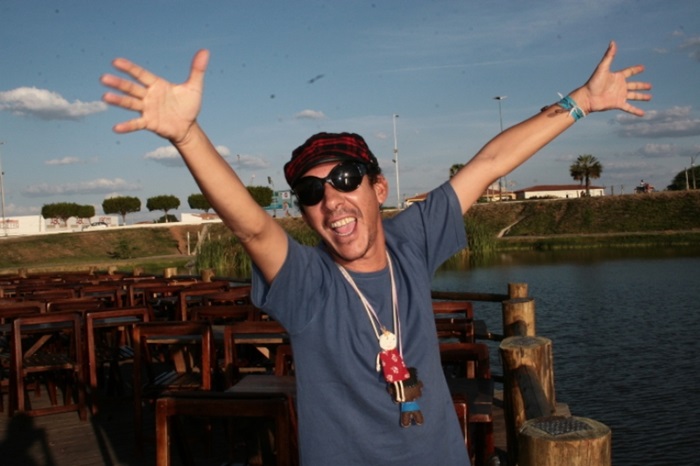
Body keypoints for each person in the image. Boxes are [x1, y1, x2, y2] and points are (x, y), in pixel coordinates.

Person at [101, 41, 651, 465]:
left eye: (345, 179)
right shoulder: (307, 283)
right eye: (312, 192)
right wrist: (188, 136)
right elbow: (253, 228)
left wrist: (582, 102)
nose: (332, 200)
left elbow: (489, 163)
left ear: (378, 188)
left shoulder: (411, 242)